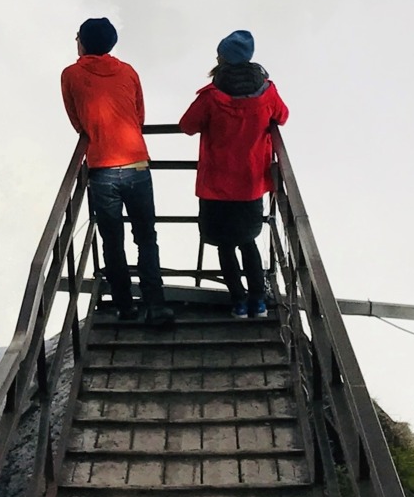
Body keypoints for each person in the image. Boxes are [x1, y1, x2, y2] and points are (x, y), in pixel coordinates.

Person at [61, 16, 173, 325]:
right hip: (137, 162)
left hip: (101, 167)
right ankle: (156, 304)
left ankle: (124, 306)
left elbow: (77, 122)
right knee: (146, 237)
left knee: (112, 240)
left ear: (83, 43)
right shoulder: (128, 72)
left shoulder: (71, 74)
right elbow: (139, 116)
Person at [178, 28, 289, 319]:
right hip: (250, 185)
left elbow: (187, 125)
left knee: (224, 246)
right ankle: (259, 303)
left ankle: (238, 302)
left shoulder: (212, 96)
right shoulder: (267, 92)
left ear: (222, 59)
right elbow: (283, 116)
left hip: (216, 186)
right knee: (248, 242)